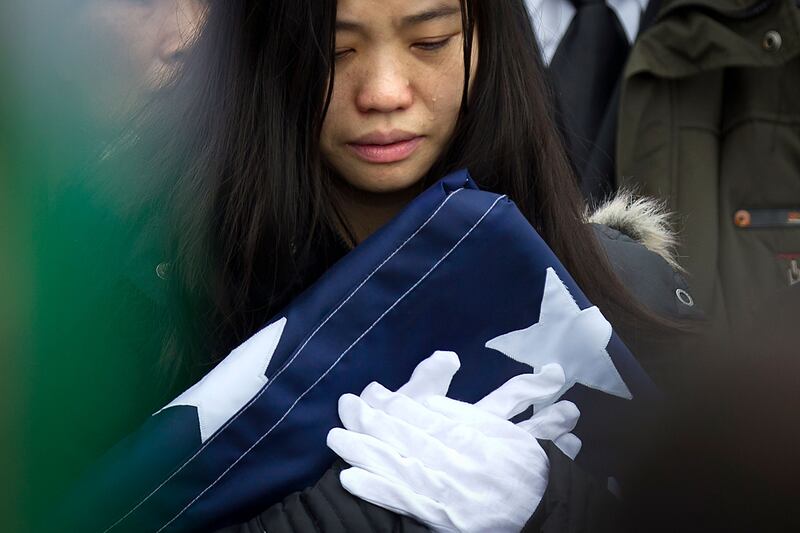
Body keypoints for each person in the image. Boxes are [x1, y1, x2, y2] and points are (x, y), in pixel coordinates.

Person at [86, 0, 699, 531]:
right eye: (334, 49)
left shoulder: (626, 293)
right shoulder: (133, 304)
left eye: (430, 41)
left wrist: (557, 508)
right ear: (261, 54)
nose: (383, 92)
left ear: (490, 43)